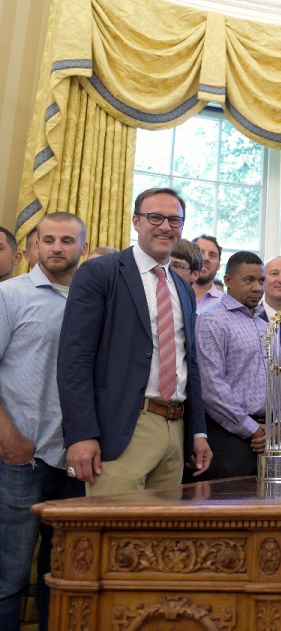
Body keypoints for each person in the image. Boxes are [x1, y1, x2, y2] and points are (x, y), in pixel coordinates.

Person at [58, 188, 212, 495]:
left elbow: (188, 362)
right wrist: (80, 434)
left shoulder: (182, 287)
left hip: (175, 430)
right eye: (155, 217)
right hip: (120, 429)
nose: (165, 226)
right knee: (114, 539)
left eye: (174, 220)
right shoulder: (100, 273)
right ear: (136, 221)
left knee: (162, 541)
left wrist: (198, 431)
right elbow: (75, 359)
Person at [0, 212, 87, 631]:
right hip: (22, 457)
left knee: (64, 571)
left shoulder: (92, 301)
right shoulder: (10, 295)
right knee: (10, 575)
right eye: (48, 239)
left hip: (74, 459)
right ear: (34, 246)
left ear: (83, 249)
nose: (56, 248)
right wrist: (9, 438)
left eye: (67, 241)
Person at [194, 251, 269, 480]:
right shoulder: (211, 320)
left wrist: (276, 425)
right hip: (228, 437)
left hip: (267, 437)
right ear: (228, 281)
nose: (257, 288)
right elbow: (212, 387)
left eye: (261, 281)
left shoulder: (266, 326)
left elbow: (280, 379)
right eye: (249, 280)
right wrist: (251, 428)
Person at [192, 234, 224, 313]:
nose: (206, 258)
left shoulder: (225, 303)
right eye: (200, 253)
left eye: (212, 255)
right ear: (189, 258)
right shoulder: (173, 294)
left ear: (219, 265)